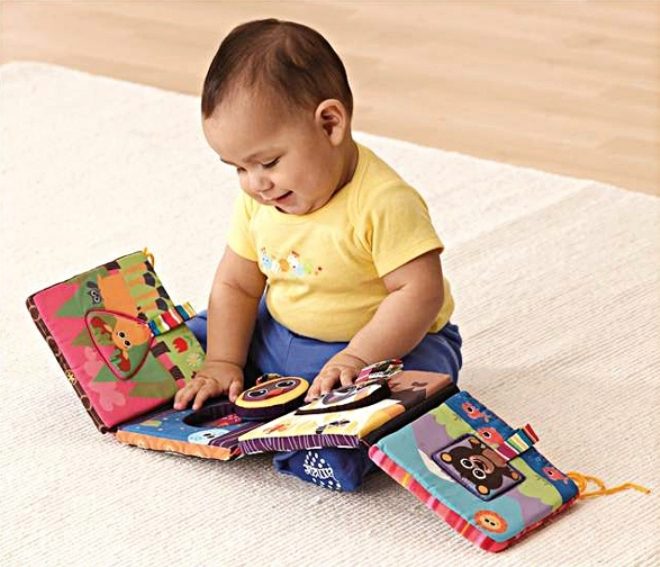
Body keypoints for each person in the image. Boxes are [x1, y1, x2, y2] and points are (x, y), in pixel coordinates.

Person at [175, 18, 462, 417]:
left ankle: (331, 444)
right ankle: (204, 382)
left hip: (383, 345)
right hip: (279, 332)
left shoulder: (384, 201)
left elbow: (420, 293)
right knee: (189, 341)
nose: (255, 183)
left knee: (413, 389)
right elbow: (237, 285)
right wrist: (222, 361)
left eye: (268, 162)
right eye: (237, 168)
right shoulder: (260, 198)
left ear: (330, 124)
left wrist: (359, 358)